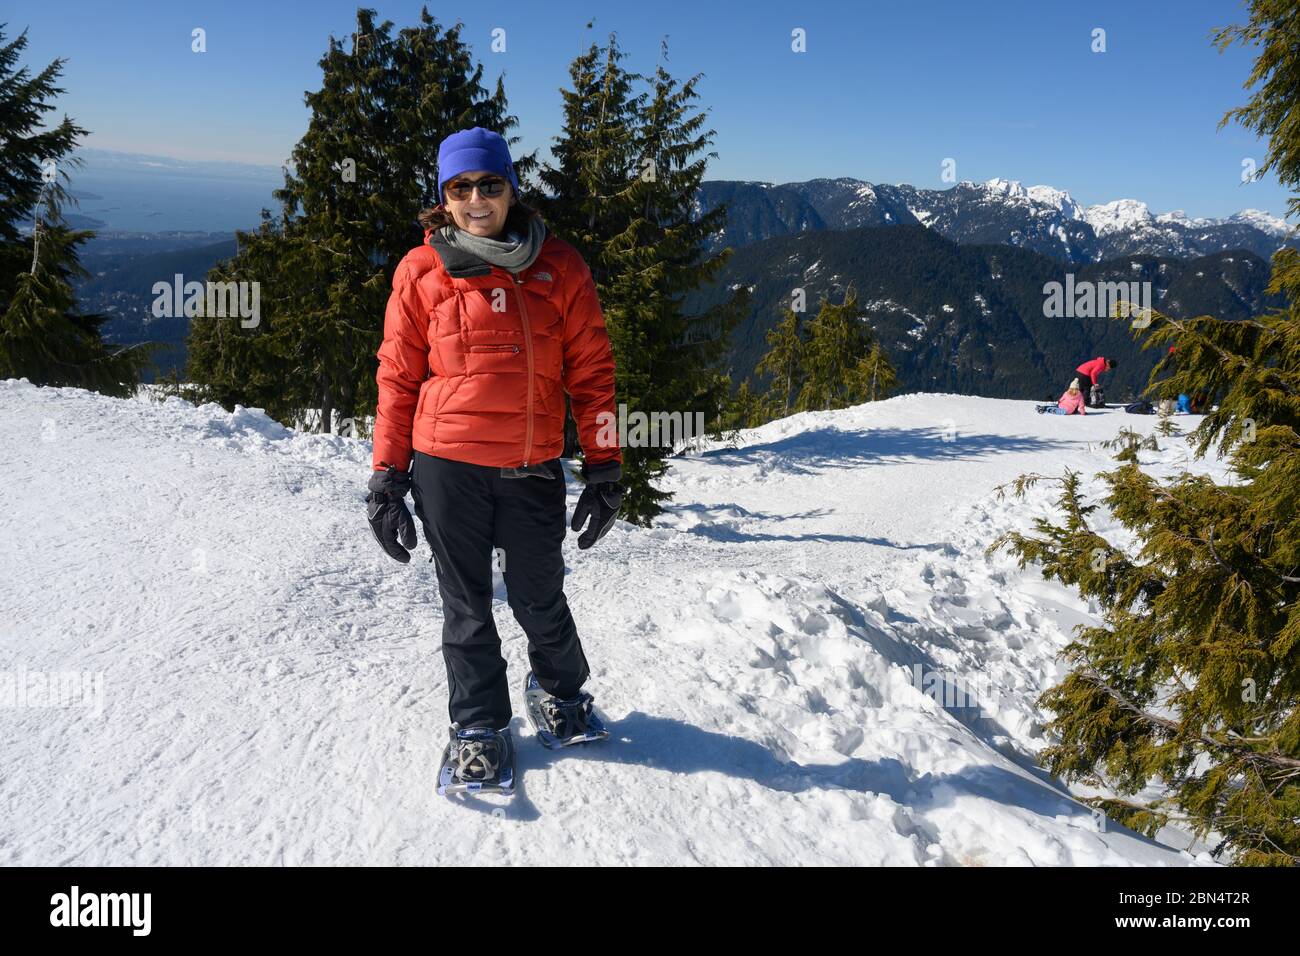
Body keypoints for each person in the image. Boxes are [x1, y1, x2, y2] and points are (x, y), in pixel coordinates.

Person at [363, 127, 623, 789]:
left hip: (532, 464)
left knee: (540, 597)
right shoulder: (421, 271)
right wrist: (387, 477)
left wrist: (605, 465)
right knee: (468, 606)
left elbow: (592, 372)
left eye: (489, 184)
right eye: (460, 187)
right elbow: (397, 377)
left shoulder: (560, 266)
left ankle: (561, 692)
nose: (476, 199)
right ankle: (478, 726)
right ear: (443, 197)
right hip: (446, 465)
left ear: (511, 188)